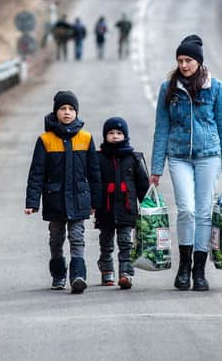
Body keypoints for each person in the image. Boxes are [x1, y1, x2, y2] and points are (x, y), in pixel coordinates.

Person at [150, 34, 222, 292]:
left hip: (209, 155)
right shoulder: (168, 89)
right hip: (178, 156)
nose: (184, 65)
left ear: (198, 61)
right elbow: (161, 129)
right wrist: (156, 168)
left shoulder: (216, 88)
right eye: (180, 60)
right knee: (186, 210)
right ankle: (183, 267)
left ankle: (199, 271)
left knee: (203, 212)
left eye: (188, 60)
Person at [25, 91, 101, 294]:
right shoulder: (45, 140)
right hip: (54, 199)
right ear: (55, 112)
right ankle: (58, 275)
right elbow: (37, 173)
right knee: (56, 238)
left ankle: (78, 276)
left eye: (71, 109)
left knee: (77, 237)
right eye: (62, 109)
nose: (67, 112)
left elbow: (94, 173)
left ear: (76, 112)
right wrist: (32, 202)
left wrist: (96, 201)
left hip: (78, 199)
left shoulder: (86, 139)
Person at [94, 117, 149, 289]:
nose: (115, 136)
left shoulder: (133, 158)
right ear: (105, 136)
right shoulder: (99, 158)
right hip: (105, 209)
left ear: (125, 135)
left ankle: (126, 273)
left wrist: (147, 204)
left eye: (119, 133)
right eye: (111, 133)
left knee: (126, 243)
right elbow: (93, 183)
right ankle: (106, 271)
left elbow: (142, 185)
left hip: (127, 208)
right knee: (106, 243)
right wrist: (92, 204)